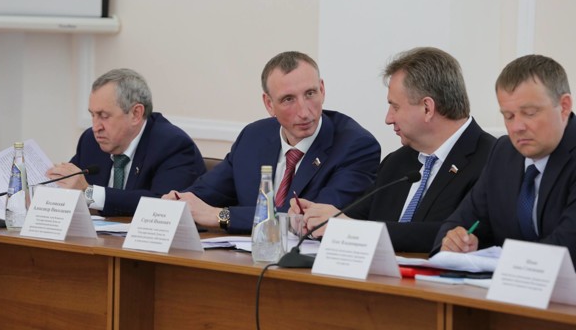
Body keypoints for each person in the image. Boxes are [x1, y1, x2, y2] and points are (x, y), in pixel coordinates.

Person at [292, 47, 495, 252]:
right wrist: (317, 217)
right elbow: (354, 219)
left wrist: (352, 227)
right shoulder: (396, 163)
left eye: (395, 107)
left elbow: (450, 234)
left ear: (427, 108)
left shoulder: (492, 161)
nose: (388, 119)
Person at [162, 51, 381, 233]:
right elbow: (204, 194)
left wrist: (220, 216)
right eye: (288, 99)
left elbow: (309, 219)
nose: (304, 112)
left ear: (322, 90)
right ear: (269, 104)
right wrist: (179, 202)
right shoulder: (254, 137)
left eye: (310, 93)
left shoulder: (355, 146)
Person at [435, 54, 576, 262]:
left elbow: (567, 247)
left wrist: (502, 263)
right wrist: (455, 241)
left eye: (529, 113)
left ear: (564, 106)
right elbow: (461, 221)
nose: (517, 127)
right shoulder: (503, 152)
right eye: (508, 116)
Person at [46, 68, 206, 216]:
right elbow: (72, 187)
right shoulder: (91, 141)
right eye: (92, 115)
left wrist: (89, 193)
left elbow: (163, 204)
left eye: (104, 116)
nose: (95, 127)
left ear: (136, 114)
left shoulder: (172, 145)